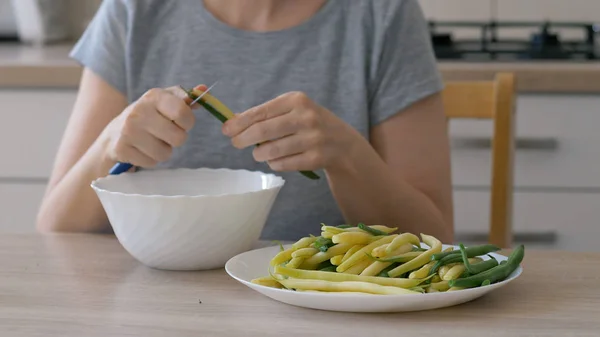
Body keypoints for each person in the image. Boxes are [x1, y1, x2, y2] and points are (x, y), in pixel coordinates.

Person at [36, 0, 454, 243]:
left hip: (320, 303)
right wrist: (112, 142)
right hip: (151, 306)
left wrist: (347, 156)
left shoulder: (383, 15)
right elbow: (55, 228)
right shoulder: (134, 10)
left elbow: (436, 239)